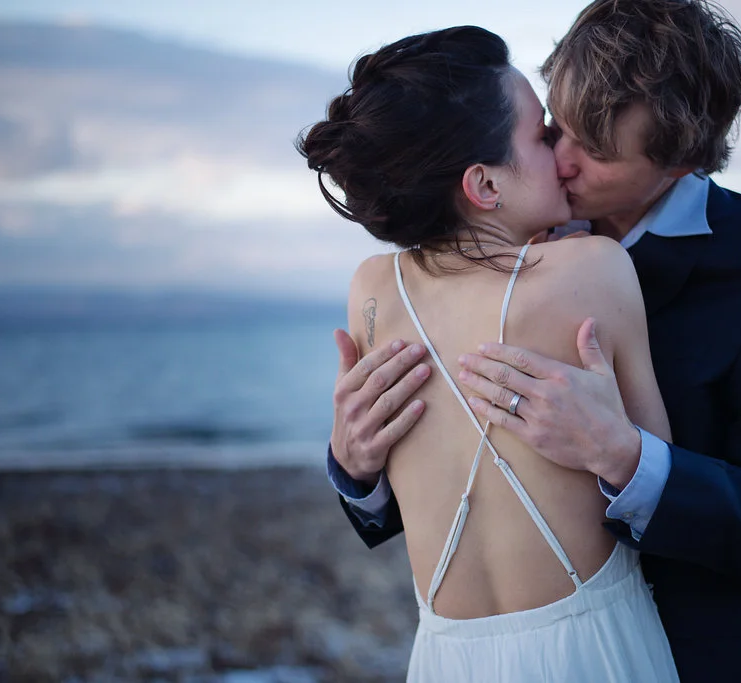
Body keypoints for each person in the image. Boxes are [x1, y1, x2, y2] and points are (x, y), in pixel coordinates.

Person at [326, 2, 741, 682]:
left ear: (681, 157)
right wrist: (355, 466)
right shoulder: (498, 233)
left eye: (594, 148)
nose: (561, 160)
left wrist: (627, 456)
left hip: (692, 655)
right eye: (554, 126)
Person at [301, 25, 679, 682]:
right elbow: (662, 493)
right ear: (483, 185)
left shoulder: (371, 288)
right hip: (593, 647)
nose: (564, 154)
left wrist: (350, 467)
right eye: (541, 135)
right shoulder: (595, 266)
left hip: (444, 655)